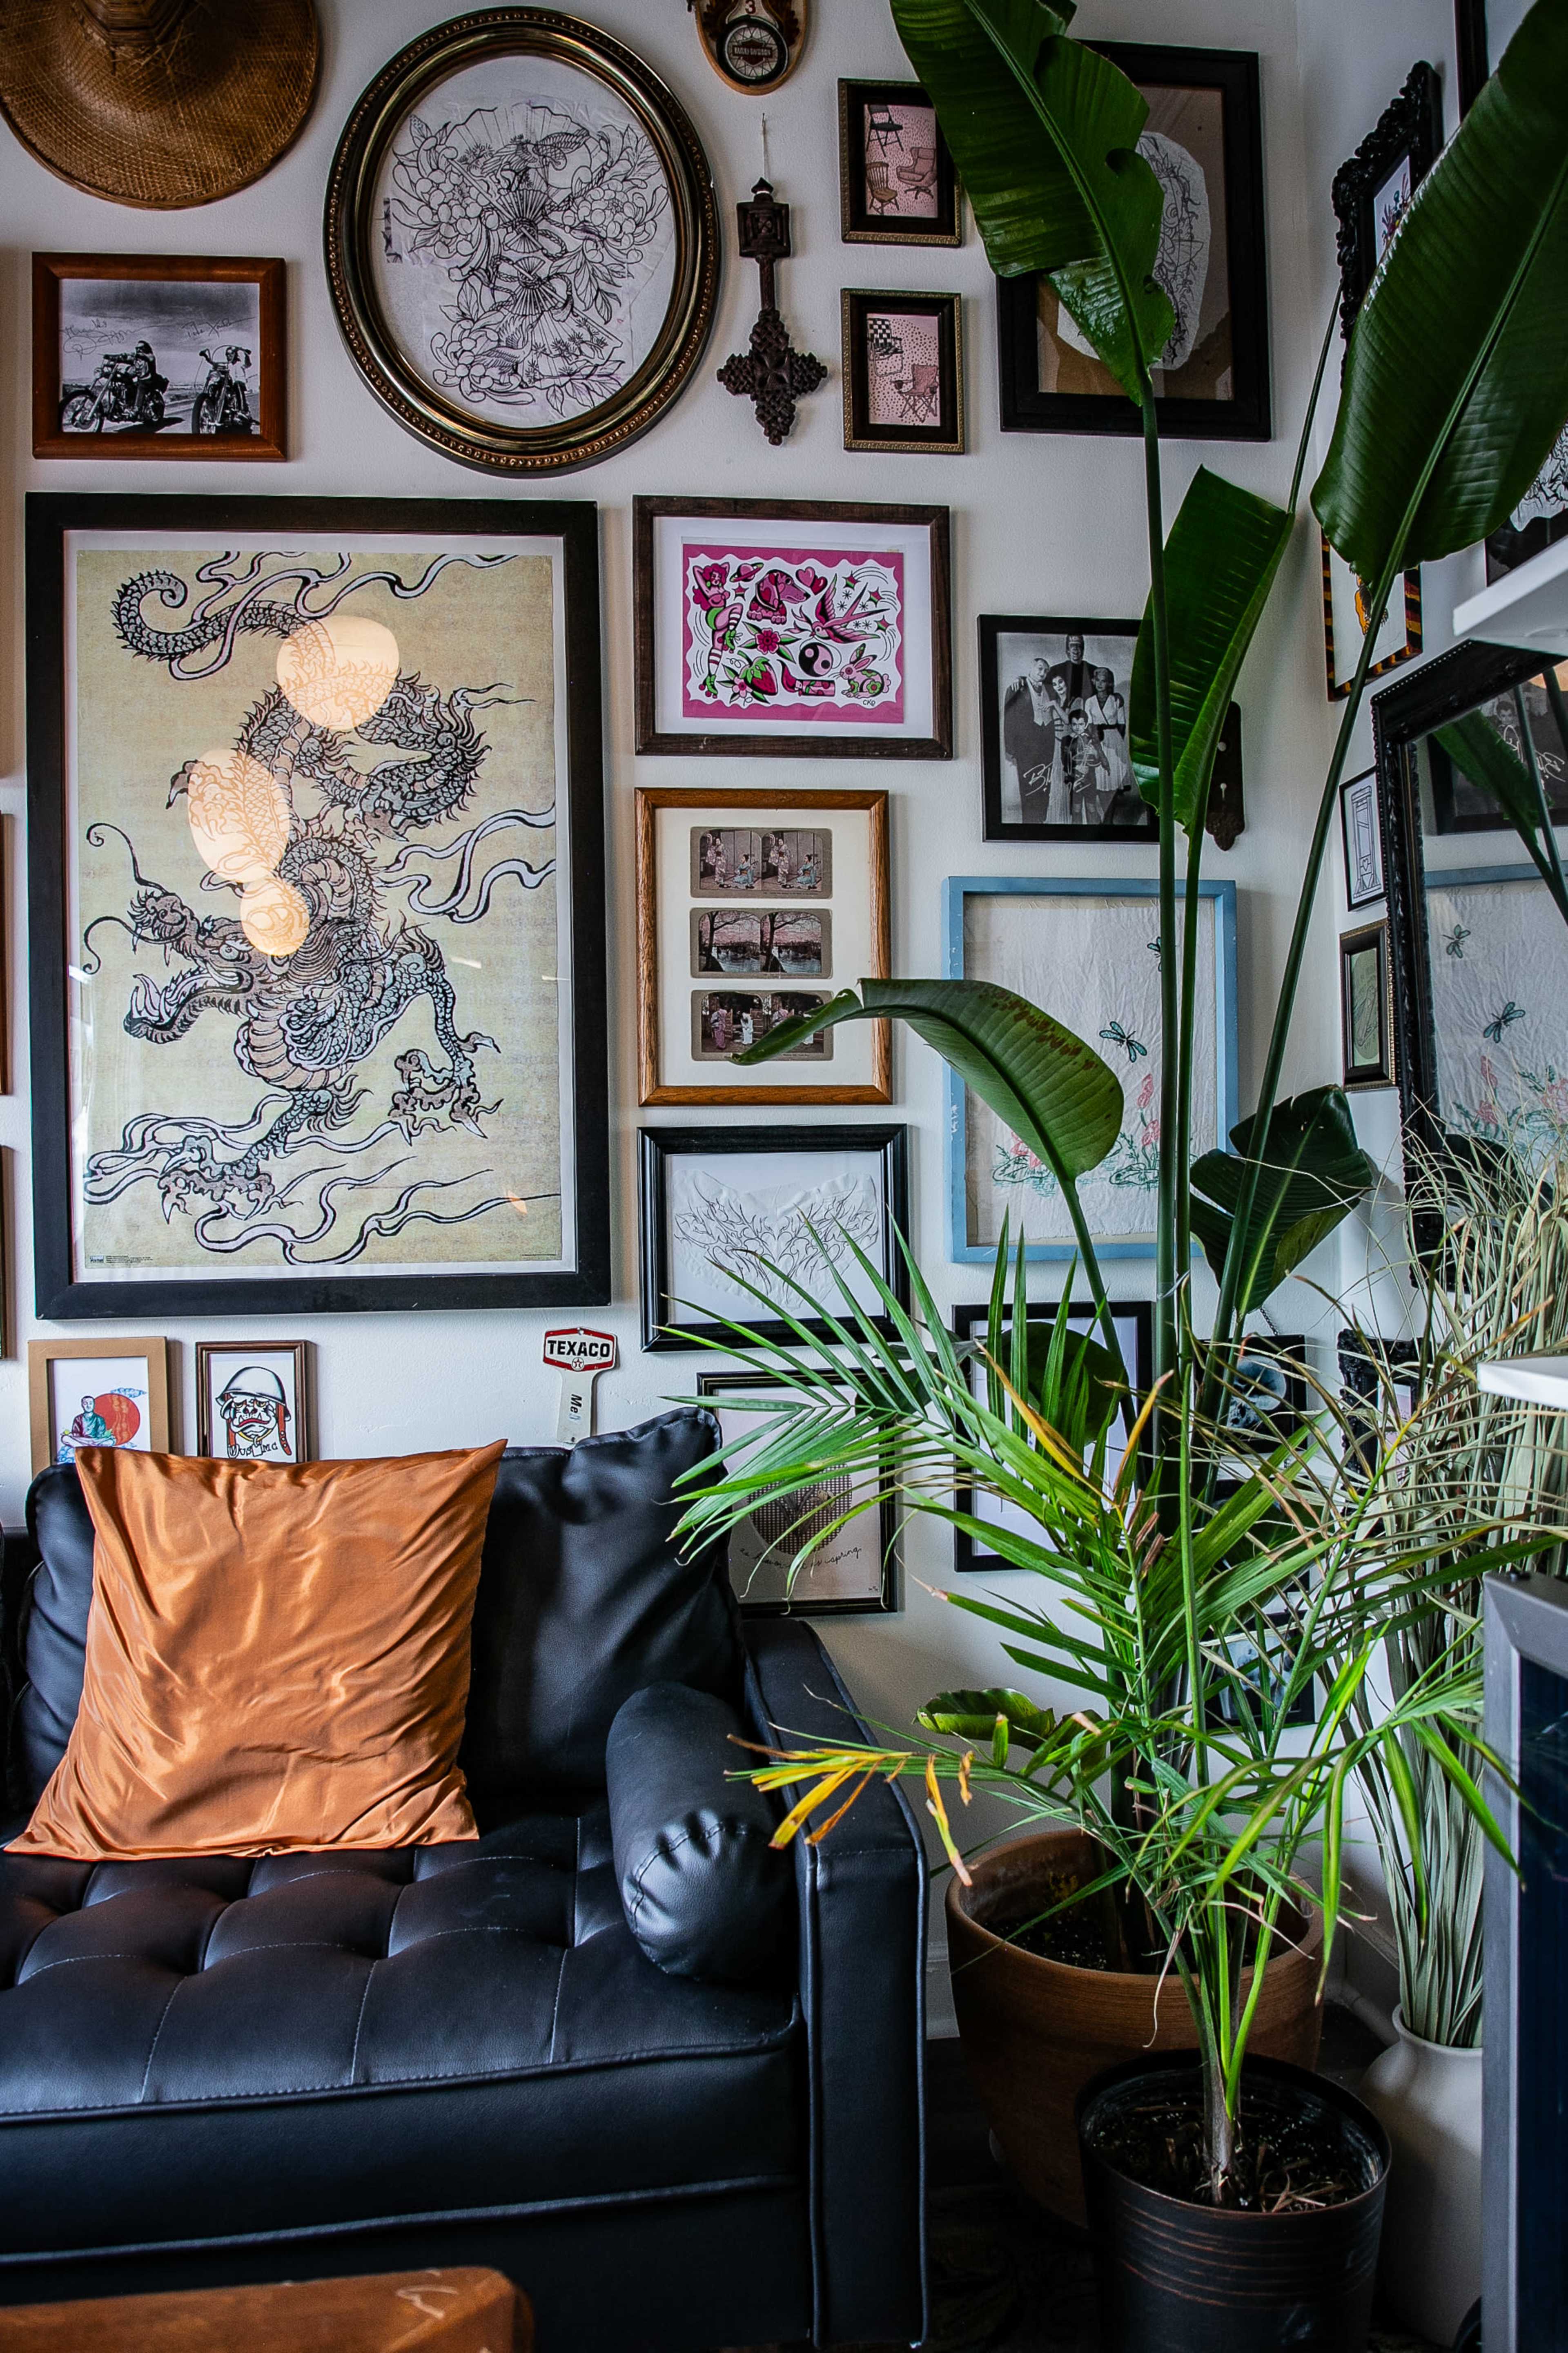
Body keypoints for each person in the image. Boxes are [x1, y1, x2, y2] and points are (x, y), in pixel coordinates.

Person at [1002, 654, 1067, 822]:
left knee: (1045, 782)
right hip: (1025, 747)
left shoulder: (1050, 689)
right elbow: (1009, 720)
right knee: (1028, 784)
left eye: (1046, 671)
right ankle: (1029, 823)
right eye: (1039, 669)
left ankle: (1041, 821)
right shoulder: (1018, 688)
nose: (1042, 673)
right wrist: (1011, 749)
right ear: (1031, 668)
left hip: (1047, 744)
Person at [1085, 665, 1132, 809]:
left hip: (1114, 739)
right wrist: (1097, 745)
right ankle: (1104, 813)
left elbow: (1122, 723)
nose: (1100, 684)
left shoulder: (1116, 700)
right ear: (1094, 681)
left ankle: (1112, 811)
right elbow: (1090, 726)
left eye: (1103, 681)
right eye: (1098, 680)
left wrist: (1117, 742)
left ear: (1109, 683)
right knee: (1100, 779)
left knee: (1114, 781)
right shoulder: (1090, 702)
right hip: (1097, 740)